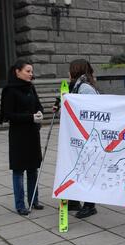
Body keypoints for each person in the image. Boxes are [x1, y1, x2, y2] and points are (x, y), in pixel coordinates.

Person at [53, 59, 100, 219]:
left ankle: (89, 205)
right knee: (73, 167)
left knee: (86, 170)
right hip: (75, 136)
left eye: (70, 69)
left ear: (76, 70)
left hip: (85, 136)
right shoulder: (75, 86)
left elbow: (92, 111)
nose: (68, 72)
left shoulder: (85, 88)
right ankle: (73, 200)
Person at [0, 60, 44, 215]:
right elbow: (9, 115)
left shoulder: (31, 87)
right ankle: (20, 205)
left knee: (33, 169)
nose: (31, 74)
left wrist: (39, 113)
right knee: (18, 171)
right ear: (17, 72)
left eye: (32, 71)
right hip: (18, 136)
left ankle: (33, 200)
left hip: (32, 134)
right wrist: (30, 117)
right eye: (28, 71)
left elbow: (38, 105)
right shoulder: (9, 90)